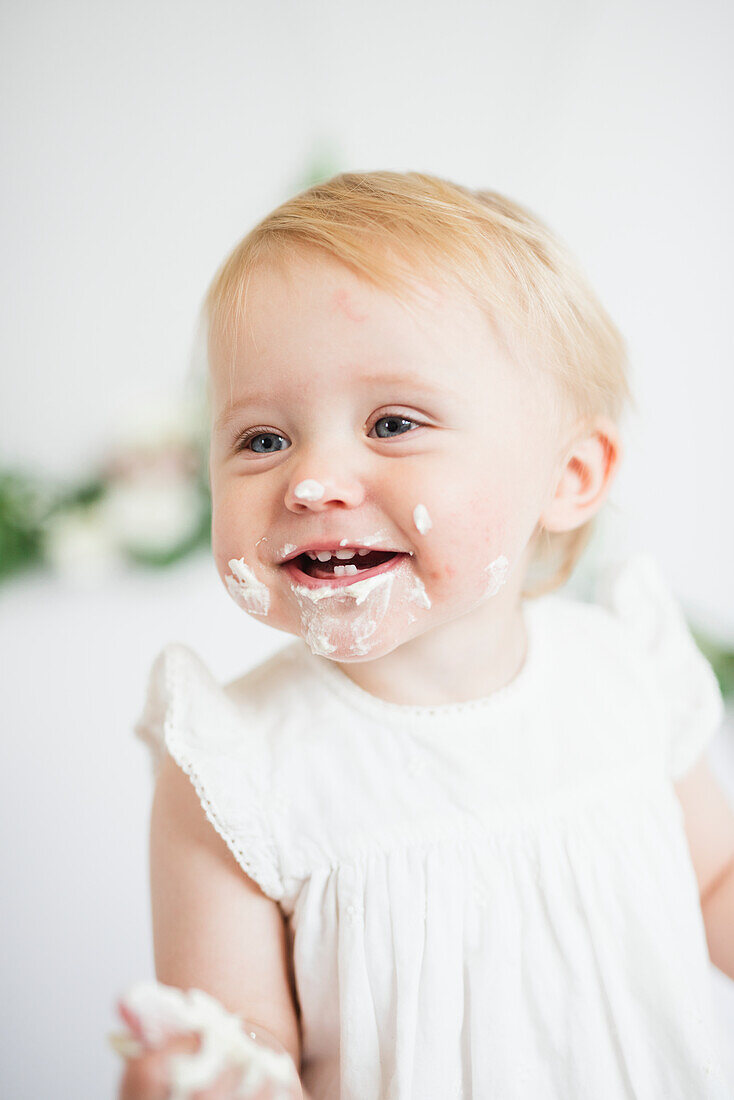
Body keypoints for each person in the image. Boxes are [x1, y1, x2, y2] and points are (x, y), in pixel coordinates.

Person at [115, 171, 734, 1099]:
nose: (312, 480)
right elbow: (245, 1043)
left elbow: (715, 884)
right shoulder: (234, 772)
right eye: (261, 439)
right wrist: (209, 1076)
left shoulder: (628, 679)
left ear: (569, 475)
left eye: (392, 423)